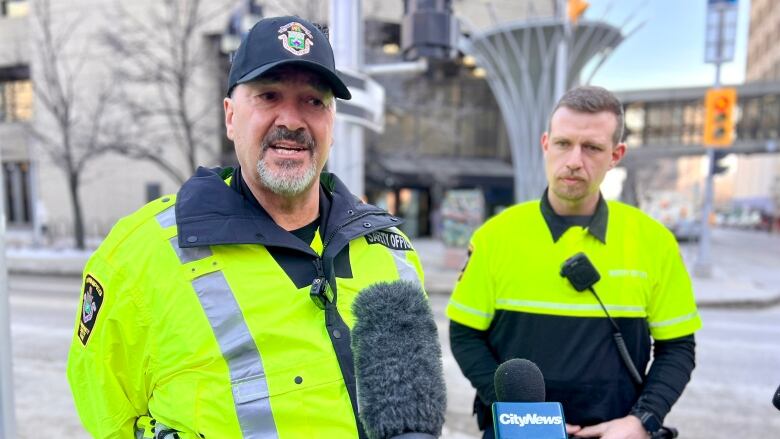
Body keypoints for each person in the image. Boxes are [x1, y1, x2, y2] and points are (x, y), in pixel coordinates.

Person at [66, 16, 425, 438]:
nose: (291, 120)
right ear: (230, 115)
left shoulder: (392, 250)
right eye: (269, 96)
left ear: (332, 121)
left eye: (313, 101)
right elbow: (105, 411)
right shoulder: (139, 255)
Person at [447, 86, 701, 439]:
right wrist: (517, 412)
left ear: (616, 154)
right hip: (517, 433)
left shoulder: (654, 241)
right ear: (545, 144)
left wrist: (642, 420)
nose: (574, 161)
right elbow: (464, 335)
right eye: (564, 143)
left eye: (593, 147)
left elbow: (678, 347)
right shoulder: (495, 236)